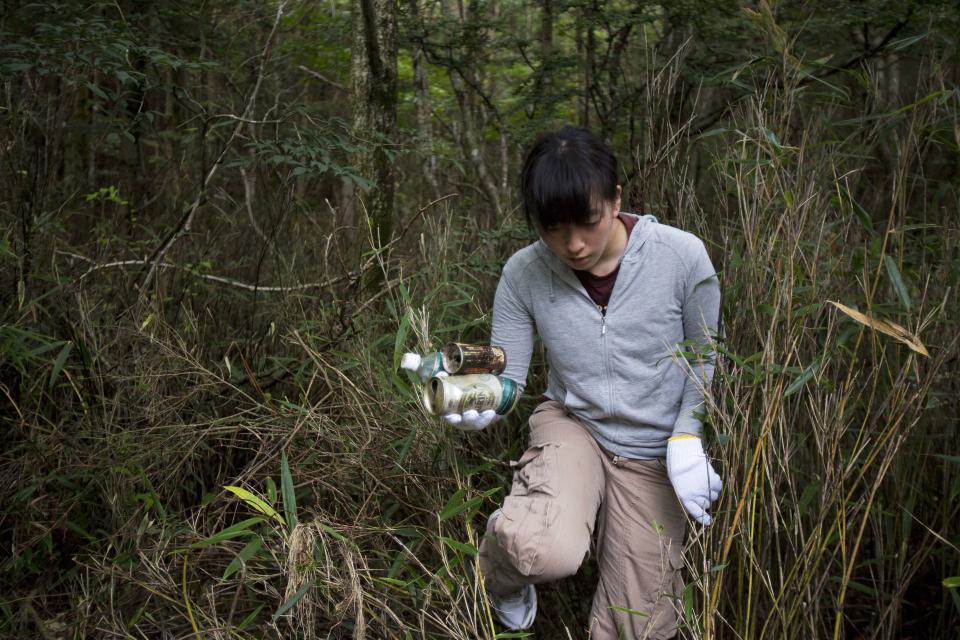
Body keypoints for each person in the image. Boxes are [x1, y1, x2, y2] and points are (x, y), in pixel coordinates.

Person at [410, 126, 722, 639]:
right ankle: (503, 577)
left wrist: (688, 436)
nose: (573, 244)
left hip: (654, 451)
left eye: (588, 222)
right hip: (573, 423)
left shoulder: (682, 258)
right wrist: (485, 403)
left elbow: (706, 356)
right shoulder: (523, 273)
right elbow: (508, 372)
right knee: (535, 548)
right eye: (553, 228)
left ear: (616, 199)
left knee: (640, 627)